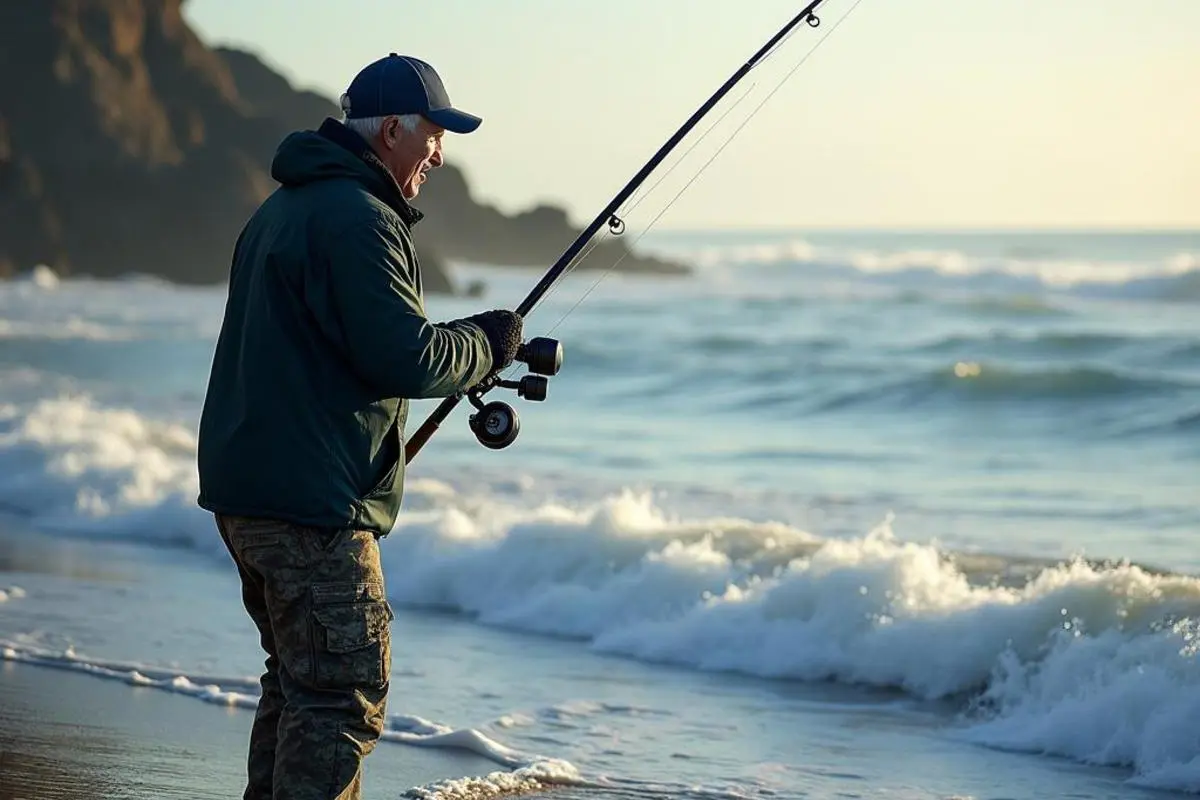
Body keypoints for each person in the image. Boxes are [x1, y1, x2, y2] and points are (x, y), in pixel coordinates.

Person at [195, 53, 522, 800]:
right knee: (342, 694)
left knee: (299, 685)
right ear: (395, 130)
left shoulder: (285, 209)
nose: (441, 150)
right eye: (436, 132)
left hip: (252, 492)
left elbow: (342, 349)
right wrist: (487, 343)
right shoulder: (357, 217)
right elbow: (401, 356)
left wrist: (463, 340)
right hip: (311, 509)